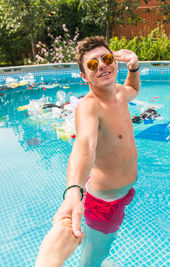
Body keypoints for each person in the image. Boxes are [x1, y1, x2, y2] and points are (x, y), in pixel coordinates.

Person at [53, 36, 140, 266]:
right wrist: (73, 190)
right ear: (84, 76)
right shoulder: (89, 107)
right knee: (95, 256)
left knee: (99, 248)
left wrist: (134, 66)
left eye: (106, 58)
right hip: (104, 203)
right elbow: (84, 145)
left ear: (115, 62)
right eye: (92, 64)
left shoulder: (120, 92)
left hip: (122, 193)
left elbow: (133, 88)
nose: (102, 65)